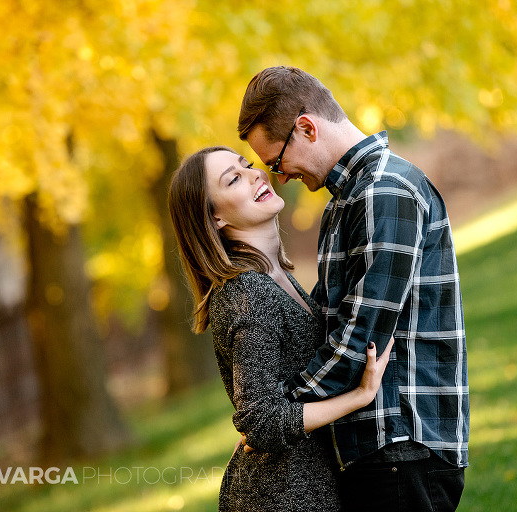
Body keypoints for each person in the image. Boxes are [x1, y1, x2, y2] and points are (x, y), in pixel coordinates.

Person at [237, 66, 469, 511]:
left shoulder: (384, 191)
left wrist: (278, 415)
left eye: (275, 161)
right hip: (378, 448)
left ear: (306, 127)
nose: (278, 177)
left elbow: (358, 343)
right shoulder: (346, 202)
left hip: (402, 444)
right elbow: (326, 325)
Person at [168, 146, 394, 511]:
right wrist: (360, 395)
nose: (256, 173)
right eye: (234, 179)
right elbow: (260, 420)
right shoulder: (248, 292)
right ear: (215, 219)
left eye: (247, 165)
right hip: (282, 496)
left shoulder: (274, 280)